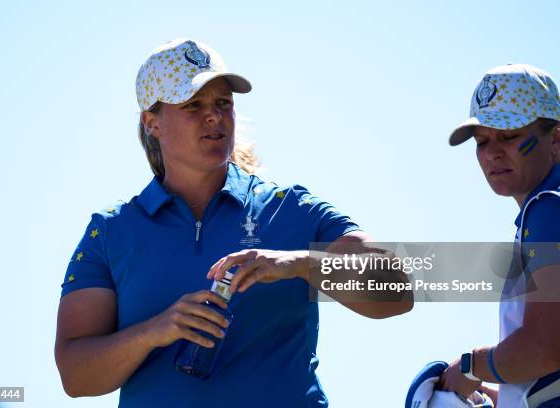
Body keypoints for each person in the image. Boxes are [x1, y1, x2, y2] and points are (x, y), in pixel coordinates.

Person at [53, 38, 413, 407]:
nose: (214, 115)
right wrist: (153, 332)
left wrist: (299, 263)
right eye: (193, 104)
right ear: (152, 123)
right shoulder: (111, 231)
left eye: (223, 102)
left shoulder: (290, 208)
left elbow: (398, 288)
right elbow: (75, 375)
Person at [442, 63, 560, 407]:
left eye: (509, 136)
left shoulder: (548, 208)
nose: (493, 152)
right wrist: (509, 393)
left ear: (555, 138)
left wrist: (471, 367)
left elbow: (545, 347)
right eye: (482, 141)